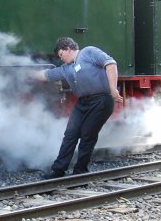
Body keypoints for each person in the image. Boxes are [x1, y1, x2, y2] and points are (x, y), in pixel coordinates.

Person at [35, 37, 124, 178]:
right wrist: (25, 73)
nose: (61, 58)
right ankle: (58, 170)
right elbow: (46, 75)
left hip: (101, 100)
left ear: (68, 49)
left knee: (87, 135)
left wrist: (113, 89)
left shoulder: (88, 52)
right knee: (70, 134)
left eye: (61, 55)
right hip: (82, 102)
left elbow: (111, 63)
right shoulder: (66, 68)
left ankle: (80, 173)